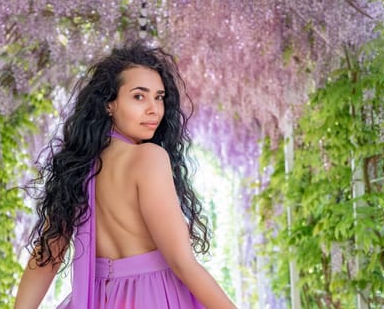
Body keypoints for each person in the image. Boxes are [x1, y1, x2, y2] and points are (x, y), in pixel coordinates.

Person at [14, 41, 237, 309]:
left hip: (98, 300)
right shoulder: (149, 158)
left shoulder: (77, 167)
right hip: (154, 296)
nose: (154, 109)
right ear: (109, 103)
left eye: (159, 97)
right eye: (139, 96)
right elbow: (182, 263)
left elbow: (47, 256)